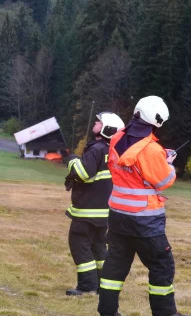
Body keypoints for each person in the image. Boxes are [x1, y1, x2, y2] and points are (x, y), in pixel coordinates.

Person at [97, 96, 188, 316]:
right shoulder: (151, 149)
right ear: (157, 120)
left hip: (118, 216)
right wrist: (167, 164)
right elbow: (164, 182)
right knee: (161, 265)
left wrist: (160, 158)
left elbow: (131, 166)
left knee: (115, 264)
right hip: (145, 220)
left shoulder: (117, 138)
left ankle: (107, 312)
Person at [64, 112, 125, 296]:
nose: (96, 122)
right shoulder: (113, 151)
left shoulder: (97, 149)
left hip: (87, 212)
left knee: (79, 244)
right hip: (105, 212)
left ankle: (87, 285)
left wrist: (72, 161)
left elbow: (82, 173)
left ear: (106, 129)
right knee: (99, 248)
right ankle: (101, 285)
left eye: (100, 122)